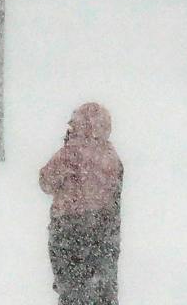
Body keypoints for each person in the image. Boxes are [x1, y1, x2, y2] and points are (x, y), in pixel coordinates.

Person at [39, 103, 122, 305]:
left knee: (72, 288)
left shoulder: (70, 154)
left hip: (68, 228)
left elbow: (46, 182)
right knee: (103, 290)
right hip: (104, 230)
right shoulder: (112, 157)